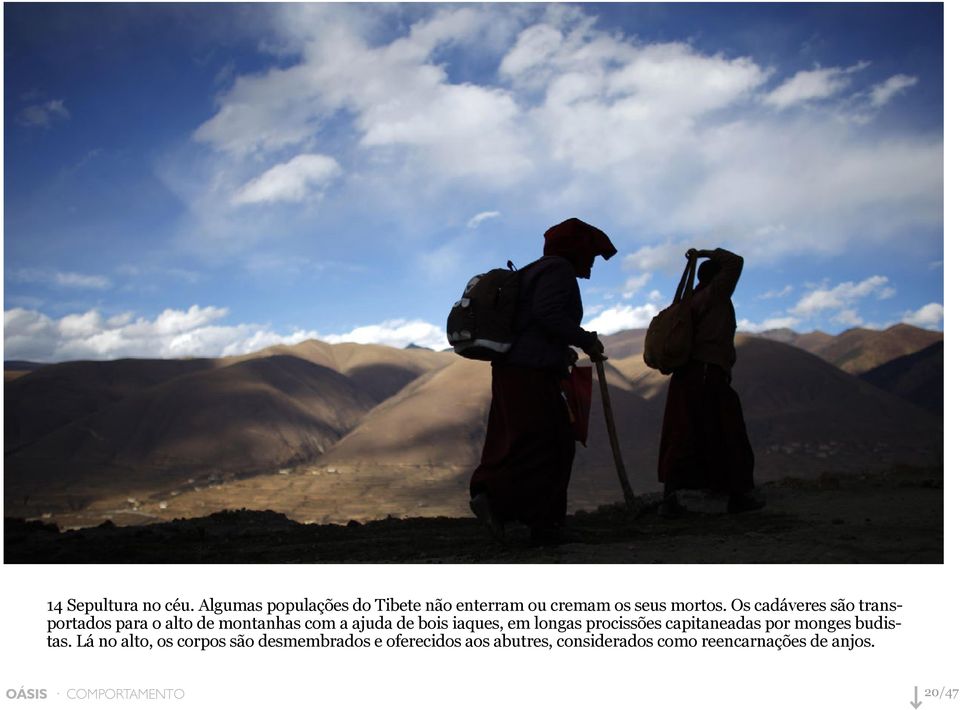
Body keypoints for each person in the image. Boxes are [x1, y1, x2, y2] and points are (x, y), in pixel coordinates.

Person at [469, 218, 615, 545]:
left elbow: (533, 323)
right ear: (575, 249)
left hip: (515, 368)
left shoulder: (533, 271)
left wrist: (560, 351)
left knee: (522, 440)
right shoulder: (558, 271)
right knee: (550, 443)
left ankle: (514, 509)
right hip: (531, 373)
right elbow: (548, 314)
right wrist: (585, 340)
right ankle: (536, 521)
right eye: (589, 253)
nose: (591, 260)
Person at [657, 247, 764, 517]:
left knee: (685, 431)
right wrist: (705, 252)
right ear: (718, 278)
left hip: (689, 375)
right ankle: (736, 495)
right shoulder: (715, 295)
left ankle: (674, 496)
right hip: (707, 373)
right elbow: (735, 261)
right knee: (727, 431)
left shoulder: (691, 300)